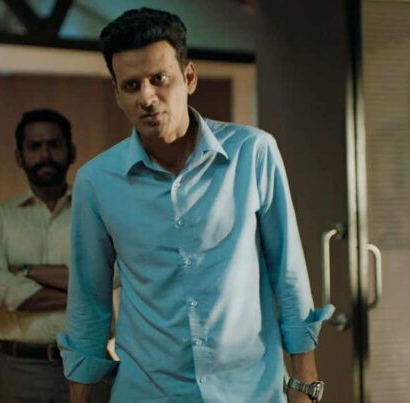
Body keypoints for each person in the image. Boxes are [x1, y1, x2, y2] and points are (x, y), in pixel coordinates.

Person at [58, 8, 334, 403]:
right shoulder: (97, 182)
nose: (147, 98)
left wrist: (305, 385)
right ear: (117, 94)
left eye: (159, 79)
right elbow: (88, 303)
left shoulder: (253, 153)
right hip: (149, 393)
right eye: (132, 85)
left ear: (188, 77)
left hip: (250, 392)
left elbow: (287, 272)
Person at [0, 109, 111, 402]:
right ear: (19, 157)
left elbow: (113, 276)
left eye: (54, 144)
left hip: (89, 364)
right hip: (18, 371)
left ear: (71, 152)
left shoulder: (97, 214)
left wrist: (24, 272)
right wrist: (83, 291)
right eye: (35, 146)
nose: (45, 155)